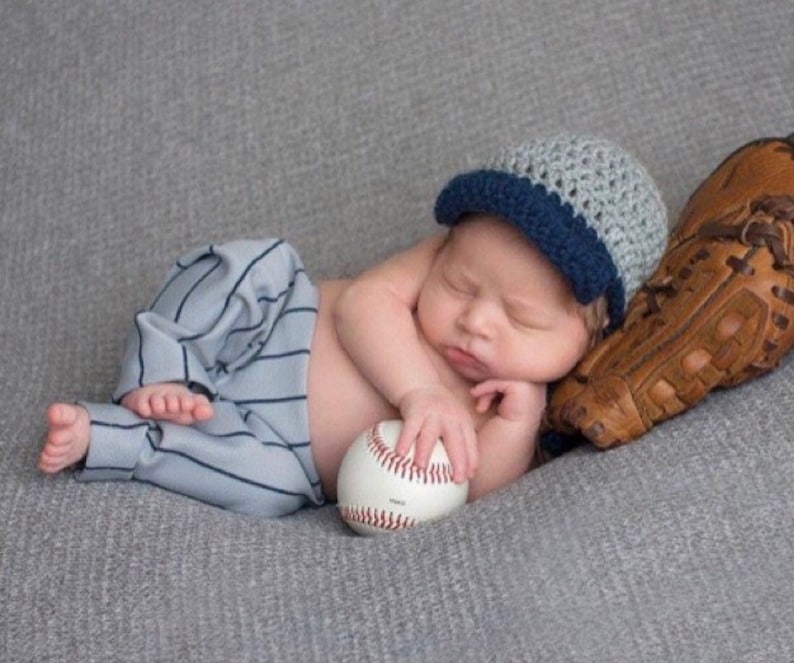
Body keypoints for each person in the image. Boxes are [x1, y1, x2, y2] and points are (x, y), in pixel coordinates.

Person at [39, 134, 668, 517]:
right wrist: (418, 391)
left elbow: (473, 495)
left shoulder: (515, 406)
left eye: (522, 319)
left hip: (285, 451)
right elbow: (362, 304)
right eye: (461, 286)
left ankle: (114, 438)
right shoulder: (438, 258)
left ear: (591, 338)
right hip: (278, 327)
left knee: (261, 492)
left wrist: (519, 419)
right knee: (254, 265)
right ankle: (163, 370)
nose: (476, 321)